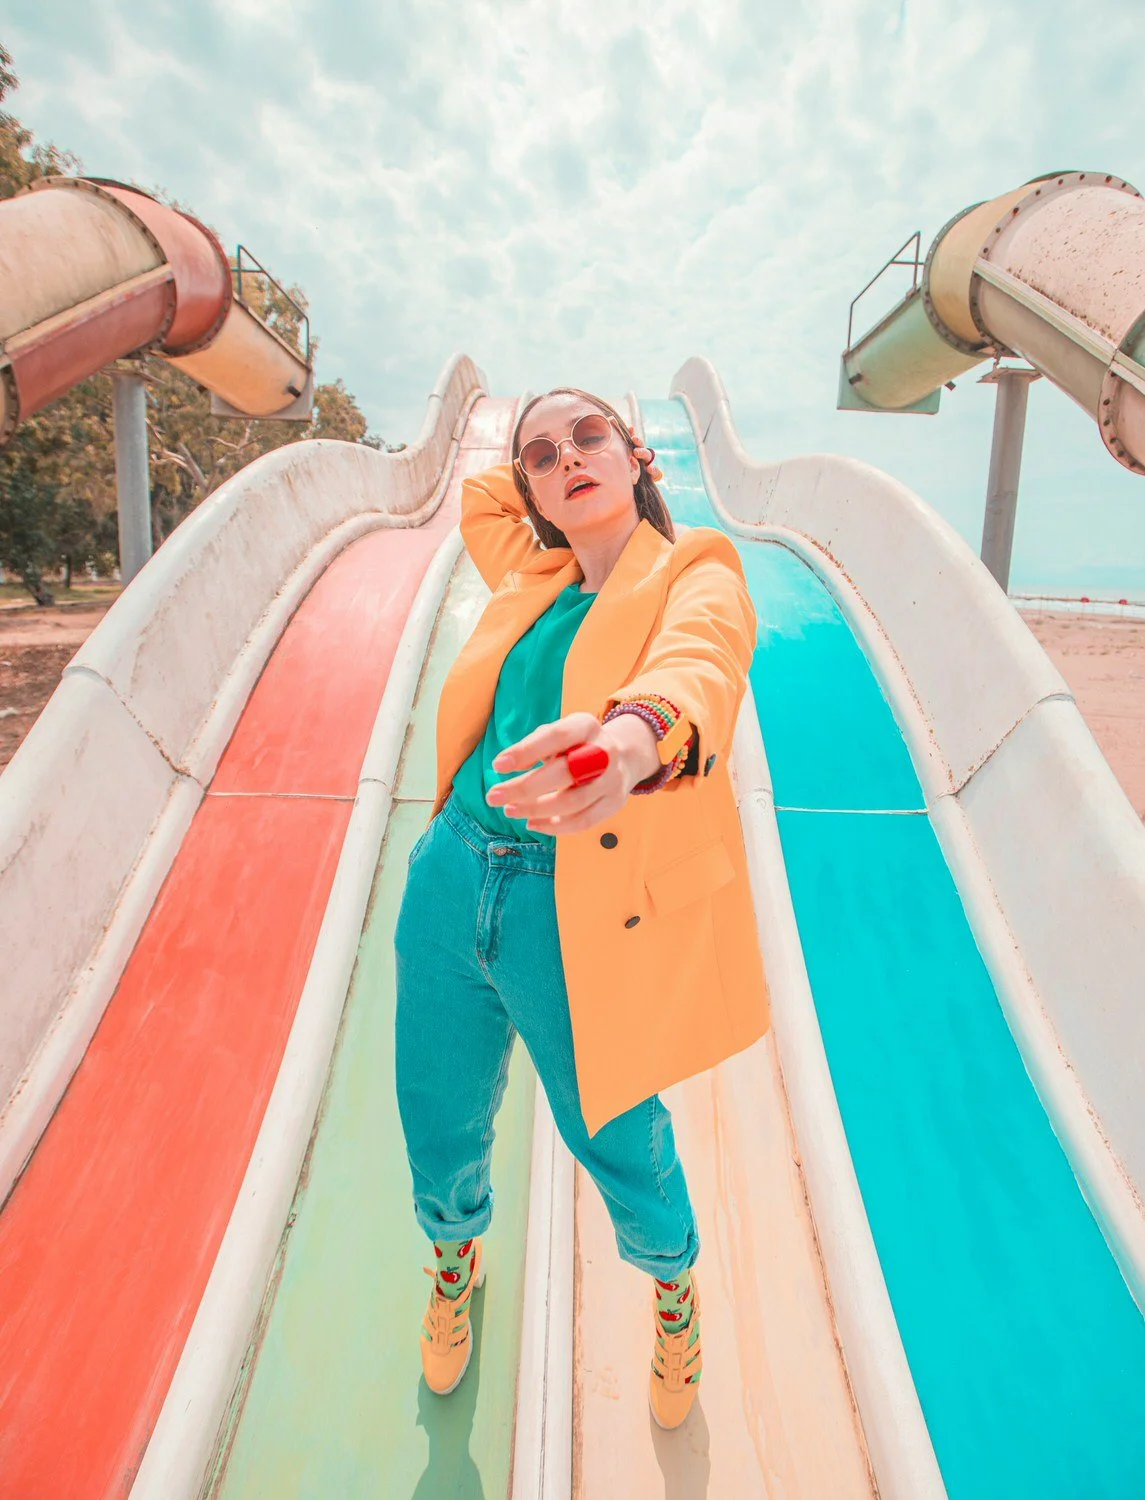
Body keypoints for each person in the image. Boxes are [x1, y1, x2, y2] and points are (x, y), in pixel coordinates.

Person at [394, 387, 770, 1430]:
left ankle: (670, 1289)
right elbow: (479, 495)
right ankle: (454, 1261)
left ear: (636, 452)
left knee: (611, 1124)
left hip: (572, 904)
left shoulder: (691, 569)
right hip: (451, 876)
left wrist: (631, 741)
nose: (568, 458)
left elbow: (699, 664)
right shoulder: (531, 566)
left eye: (590, 436)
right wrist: (538, 472)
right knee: (436, 1106)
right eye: (543, 455)